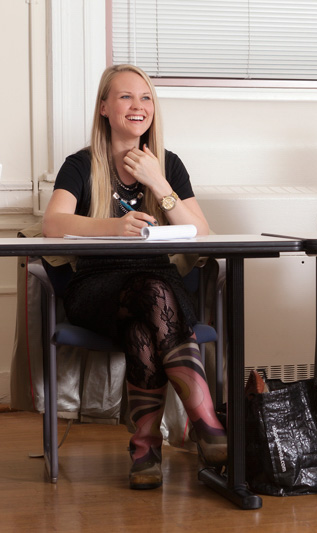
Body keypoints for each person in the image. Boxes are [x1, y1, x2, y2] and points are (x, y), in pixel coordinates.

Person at [42, 64, 226, 489]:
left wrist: (159, 183)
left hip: (158, 284)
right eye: (125, 97)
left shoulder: (168, 165)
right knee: (152, 299)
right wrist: (112, 226)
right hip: (98, 285)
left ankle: (145, 449)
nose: (138, 106)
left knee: (147, 323)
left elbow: (201, 233)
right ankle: (207, 423)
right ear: (105, 107)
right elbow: (53, 224)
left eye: (145, 98)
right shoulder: (81, 164)